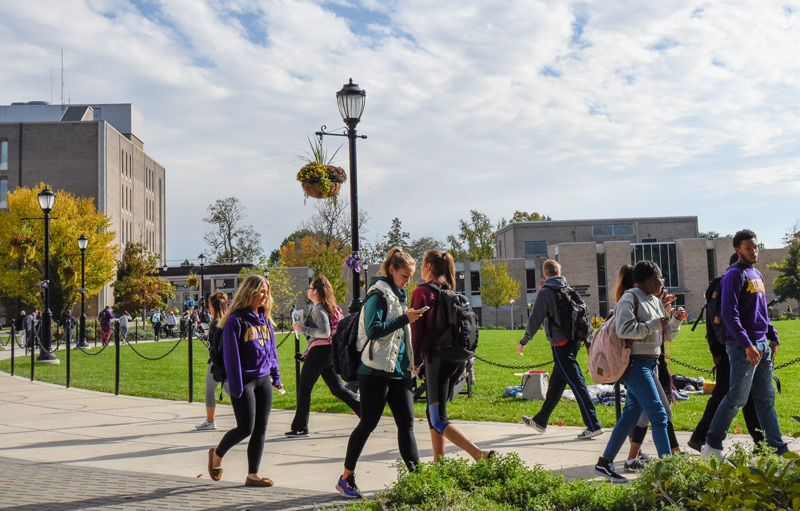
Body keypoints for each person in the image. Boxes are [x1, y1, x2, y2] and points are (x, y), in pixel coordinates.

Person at [335, 248, 425, 499]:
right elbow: (374, 330)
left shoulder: (399, 296)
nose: (408, 280)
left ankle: (420, 481)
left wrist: (412, 362)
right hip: (374, 370)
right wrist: (404, 319)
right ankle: (346, 477)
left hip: (399, 372)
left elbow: (401, 338)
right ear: (392, 270)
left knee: (406, 425)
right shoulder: (377, 296)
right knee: (368, 423)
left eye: (410, 276)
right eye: (404, 275)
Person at [594, 260, 687, 483]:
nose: (663, 282)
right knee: (659, 415)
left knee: (630, 417)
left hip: (650, 364)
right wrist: (656, 323)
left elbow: (662, 336)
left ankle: (604, 463)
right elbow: (624, 329)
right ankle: (668, 471)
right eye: (660, 278)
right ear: (648, 280)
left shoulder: (654, 300)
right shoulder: (630, 298)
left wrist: (674, 321)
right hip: (634, 365)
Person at [701, 230, 788, 459]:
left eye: (756, 247)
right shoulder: (734, 275)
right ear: (737, 250)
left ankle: (777, 448)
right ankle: (711, 444)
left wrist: (772, 335)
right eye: (749, 248)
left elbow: (762, 313)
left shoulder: (756, 273)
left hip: (761, 345)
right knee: (737, 398)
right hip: (742, 347)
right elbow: (729, 314)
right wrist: (747, 345)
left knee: (766, 397)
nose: (754, 251)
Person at [411, 250, 493, 462]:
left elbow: (417, 330)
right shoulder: (446, 290)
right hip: (454, 359)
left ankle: (478, 454)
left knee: (438, 419)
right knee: (435, 416)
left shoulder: (422, 292)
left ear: (428, 266)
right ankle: (439, 466)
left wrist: (414, 361)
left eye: (422, 263)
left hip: (435, 361)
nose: (420, 267)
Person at [208, 275, 282, 487]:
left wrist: (275, 376)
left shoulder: (264, 319)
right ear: (249, 293)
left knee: (261, 428)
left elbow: (272, 351)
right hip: (244, 382)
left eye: (266, 291)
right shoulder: (235, 320)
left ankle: (253, 475)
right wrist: (237, 387)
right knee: (245, 428)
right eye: (261, 291)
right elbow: (232, 357)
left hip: (263, 379)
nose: (264, 295)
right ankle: (217, 455)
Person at [517, 259, 603, 440]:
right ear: (559, 271)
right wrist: (588, 344)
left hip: (559, 345)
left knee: (577, 383)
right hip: (574, 343)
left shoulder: (545, 293)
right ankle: (541, 421)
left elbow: (535, 319)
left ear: (545, 274)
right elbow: (584, 319)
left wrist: (524, 341)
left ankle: (593, 424)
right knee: (556, 385)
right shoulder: (568, 290)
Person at [687, 254, 763, 452]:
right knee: (731, 394)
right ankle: (705, 437)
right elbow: (720, 319)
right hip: (734, 347)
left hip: (729, 347)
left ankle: (759, 440)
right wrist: (718, 352)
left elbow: (711, 325)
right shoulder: (730, 283)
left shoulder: (724, 284)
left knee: (740, 395)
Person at [286, 276, 361, 438]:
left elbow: (324, 332)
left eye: (310, 288)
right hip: (328, 352)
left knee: (304, 389)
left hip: (320, 354)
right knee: (337, 389)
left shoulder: (319, 309)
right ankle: (364, 411)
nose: (308, 290)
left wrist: (302, 328)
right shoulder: (328, 307)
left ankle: (300, 427)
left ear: (316, 292)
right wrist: (308, 350)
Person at [197, 292, 229, 431]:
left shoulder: (216, 322)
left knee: (210, 391)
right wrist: (207, 337)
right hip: (226, 361)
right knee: (231, 391)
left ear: (212, 306)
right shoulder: (227, 320)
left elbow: (217, 344)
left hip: (217, 362)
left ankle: (210, 421)